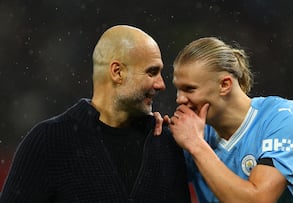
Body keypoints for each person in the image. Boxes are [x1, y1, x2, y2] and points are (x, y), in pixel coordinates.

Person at [0, 25, 191, 203]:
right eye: (152, 72)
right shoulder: (50, 141)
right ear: (117, 72)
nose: (161, 84)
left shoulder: (165, 144)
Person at [165, 37, 293, 203]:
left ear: (224, 85)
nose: (180, 99)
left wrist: (197, 146)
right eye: (178, 89)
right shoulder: (194, 134)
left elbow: (258, 199)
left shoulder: (286, 118)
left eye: (189, 89)